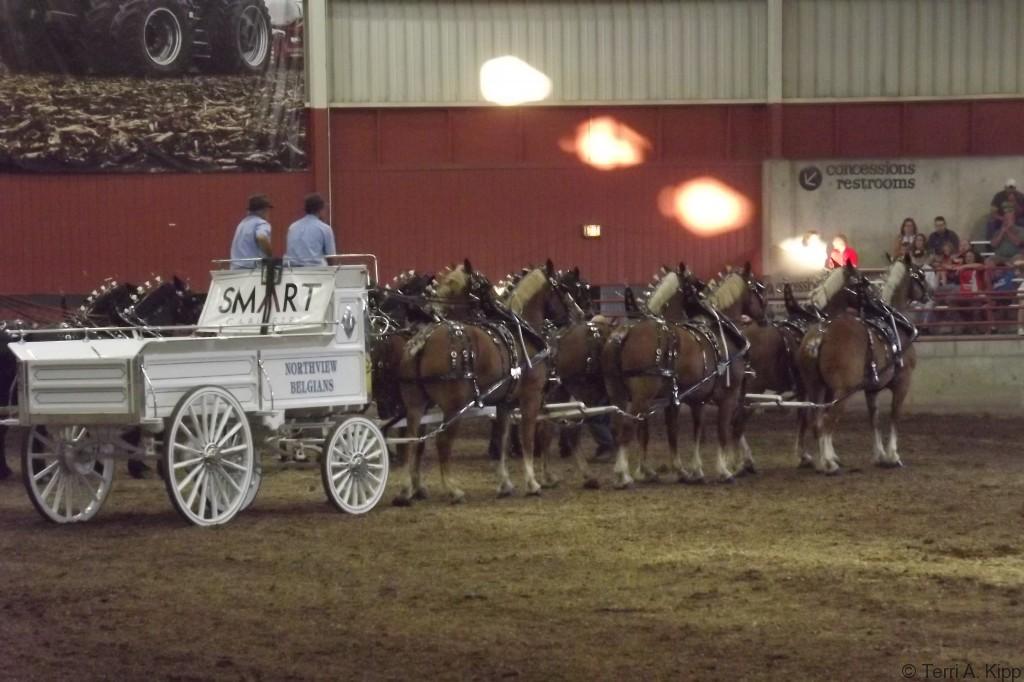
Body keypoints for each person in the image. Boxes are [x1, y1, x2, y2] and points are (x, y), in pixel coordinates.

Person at [284, 193, 336, 267]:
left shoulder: (292, 227)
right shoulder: (325, 228)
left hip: (292, 270)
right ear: (320, 210)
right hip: (316, 271)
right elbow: (331, 257)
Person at [229, 193, 273, 269]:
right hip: (251, 270)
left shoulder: (242, 224)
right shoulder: (261, 223)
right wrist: (270, 255)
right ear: (264, 210)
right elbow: (261, 237)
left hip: (235, 269)